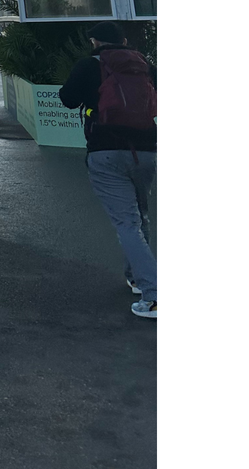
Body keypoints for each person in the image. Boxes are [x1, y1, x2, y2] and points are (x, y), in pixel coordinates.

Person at [59, 22, 157, 320]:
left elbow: (67, 99)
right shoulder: (144, 65)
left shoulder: (89, 65)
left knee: (126, 223)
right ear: (125, 41)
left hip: (105, 151)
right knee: (140, 216)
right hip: (148, 150)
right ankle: (137, 279)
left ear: (94, 42)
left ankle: (154, 296)